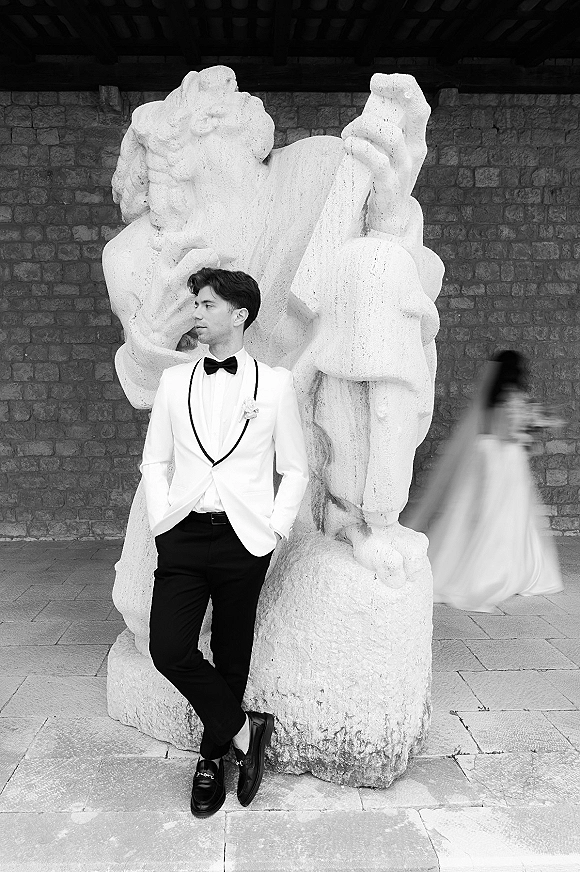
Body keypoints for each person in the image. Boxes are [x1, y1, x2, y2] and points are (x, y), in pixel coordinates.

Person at [140, 267, 309, 817]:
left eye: (207, 305)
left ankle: (212, 757)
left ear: (239, 315)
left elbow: (296, 470)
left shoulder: (275, 384)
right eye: (196, 304)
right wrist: (162, 520)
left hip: (244, 538)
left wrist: (273, 531)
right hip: (184, 535)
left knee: (232, 651)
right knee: (169, 648)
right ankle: (243, 730)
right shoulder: (173, 382)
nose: (196, 313)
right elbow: (155, 461)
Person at [408, 350, 563, 612]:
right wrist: (533, 428)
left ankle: (453, 566)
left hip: (484, 455)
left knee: (472, 513)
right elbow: (512, 432)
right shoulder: (515, 397)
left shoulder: (491, 397)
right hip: (506, 460)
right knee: (505, 516)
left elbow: (491, 429)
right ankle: (494, 573)